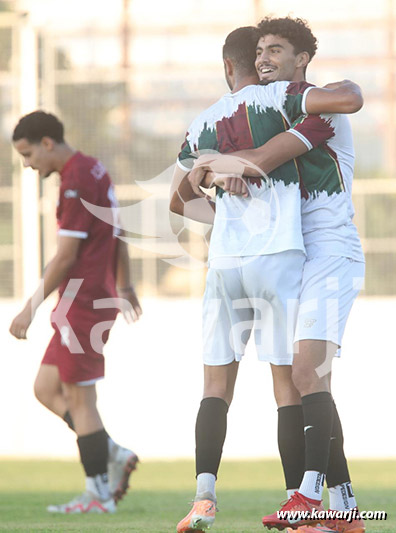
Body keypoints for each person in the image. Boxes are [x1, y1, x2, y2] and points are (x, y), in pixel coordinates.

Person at [170, 26, 363, 533]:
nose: (264, 60)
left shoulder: (300, 105)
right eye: (259, 52)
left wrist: (208, 169)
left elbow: (349, 96)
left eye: (274, 50)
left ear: (301, 58)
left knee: (302, 375)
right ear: (246, 63)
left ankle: (309, 498)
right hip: (289, 251)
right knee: (305, 377)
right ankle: (340, 508)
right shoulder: (275, 104)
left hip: (327, 248)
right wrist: (216, 175)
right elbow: (242, 168)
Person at [9, 111, 142, 514]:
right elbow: (117, 231)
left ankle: (99, 495)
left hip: (83, 303)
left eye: (28, 154)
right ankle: (113, 454)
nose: (28, 164)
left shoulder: (77, 180)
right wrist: (125, 283)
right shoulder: (92, 169)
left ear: (47, 143)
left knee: (81, 400)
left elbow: (66, 257)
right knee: (46, 389)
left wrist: (28, 310)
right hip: (86, 299)